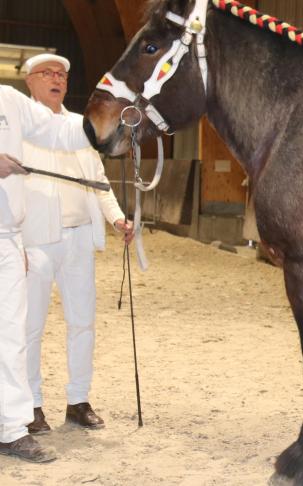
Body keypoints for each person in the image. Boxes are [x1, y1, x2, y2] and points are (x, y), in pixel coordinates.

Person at [20, 53, 133, 436]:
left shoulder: (80, 128)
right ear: (29, 82)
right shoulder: (17, 127)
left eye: (61, 75)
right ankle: (31, 405)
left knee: (82, 323)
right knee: (30, 326)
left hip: (78, 238)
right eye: (47, 73)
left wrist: (117, 218)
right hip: (33, 240)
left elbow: (98, 180)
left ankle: (78, 400)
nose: (56, 79)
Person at [1, 63, 92, 463]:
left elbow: (61, 130)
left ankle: (10, 428)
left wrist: (115, 120)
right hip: (24, 238)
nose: (57, 80)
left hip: (7, 235)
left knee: (11, 337)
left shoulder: (10, 100)